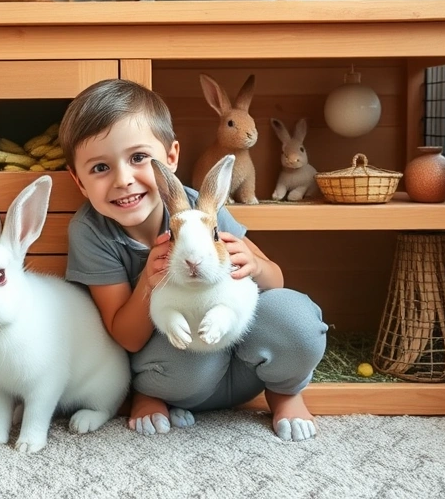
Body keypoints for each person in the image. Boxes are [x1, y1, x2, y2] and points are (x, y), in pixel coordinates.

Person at [57, 79, 328, 442]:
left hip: (243, 358)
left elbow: (275, 281)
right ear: (78, 180)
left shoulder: (202, 208)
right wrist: (150, 281)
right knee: (184, 353)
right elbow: (127, 338)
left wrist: (255, 264)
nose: (123, 180)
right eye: (100, 168)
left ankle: (285, 391)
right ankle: (148, 395)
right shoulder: (93, 231)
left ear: (170, 158)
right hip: (180, 373)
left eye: (138, 158)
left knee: (295, 317)